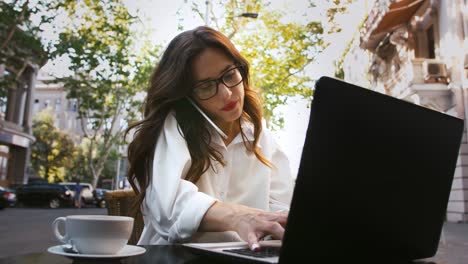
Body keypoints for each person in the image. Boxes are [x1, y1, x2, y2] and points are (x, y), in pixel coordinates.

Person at [126, 26, 294, 251]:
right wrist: (238, 216)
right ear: (187, 96)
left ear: (241, 69)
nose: (226, 93)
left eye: (229, 75)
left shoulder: (261, 137)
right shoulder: (174, 125)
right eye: (206, 86)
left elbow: (281, 208)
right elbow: (169, 205)